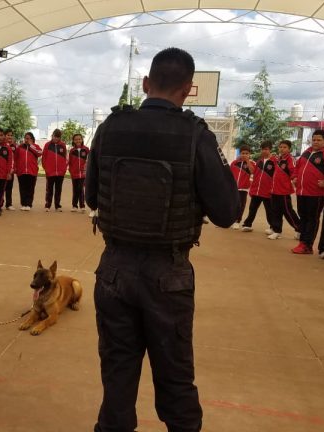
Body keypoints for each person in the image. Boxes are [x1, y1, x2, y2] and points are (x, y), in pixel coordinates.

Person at [85, 47, 239, 432]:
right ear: (188, 89)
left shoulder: (110, 127)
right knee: (175, 378)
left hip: (114, 269)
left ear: (145, 83)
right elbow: (227, 212)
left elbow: (90, 196)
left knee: (117, 375)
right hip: (168, 274)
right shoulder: (196, 135)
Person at [292, 130, 324, 254]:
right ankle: (302, 242)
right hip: (301, 192)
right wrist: (295, 177)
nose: (316, 142)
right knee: (303, 218)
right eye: (314, 140)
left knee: (312, 219)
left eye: (319, 140)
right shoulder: (306, 153)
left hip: (316, 194)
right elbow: (297, 167)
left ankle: (308, 245)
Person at [241, 141, 276, 235]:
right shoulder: (259, 161)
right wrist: (247, 161)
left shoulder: (274, 161)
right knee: (252, 209)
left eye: (266, 149)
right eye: (263, 149)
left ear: (270, 150)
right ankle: (247, 225)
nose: (264, 151)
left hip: (268, 191)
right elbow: (253, 172)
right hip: (256, 191)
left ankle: (273, 227)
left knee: (270, 211)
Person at [269, 140, 300, 240]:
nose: (282, 149)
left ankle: (300, 229)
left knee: (288, 212)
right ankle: (277, 231)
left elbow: (294, 171)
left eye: (285, 147)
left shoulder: (290, 159)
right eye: (281, 147)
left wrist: (294, 178)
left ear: (289, 149)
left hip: (284, 191)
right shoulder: (278, 159)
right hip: (274, 190)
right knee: (275, 211)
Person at [42, 129, 68, 212]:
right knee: (49, 189)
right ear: (52, 135)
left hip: (60, 172)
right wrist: (46, 168)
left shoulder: (63, 145)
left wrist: (64, 169)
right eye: (55, 136)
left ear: (60, 137)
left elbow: (65, 157)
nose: (56, 138)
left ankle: (57, 205)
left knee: (58, 190)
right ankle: (47, 205)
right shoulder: (47, 145)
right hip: (50, 172)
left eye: (58, 137)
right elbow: (44, 157)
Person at [15, 131, 42, 211]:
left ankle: (29, 204)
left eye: (29, 138)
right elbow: (15, 158)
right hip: (21, 171)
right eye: (26, 138)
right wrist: (16, 168)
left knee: (30, 189)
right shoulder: (20, 147)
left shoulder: (36, 146)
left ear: (32, 139)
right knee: (22, 188)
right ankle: (23, 204)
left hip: (32, 171)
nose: (27, 140)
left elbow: (39, 153)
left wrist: (31, 146)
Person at [229, 146, 253, 230]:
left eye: (247, 153)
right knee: (231, 204)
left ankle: (237, 221)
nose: (244, 155)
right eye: (243, 153)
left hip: (243, 189)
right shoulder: (234, 163)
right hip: (233, 188)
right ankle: (229, 220)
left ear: (249, 154)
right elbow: (229, 173)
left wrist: (247, 161)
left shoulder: (251, 163)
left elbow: (253, 171)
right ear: (240, 153)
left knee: (240, 205)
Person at [68, 133, 89, 212]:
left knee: (80, 189)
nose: (78, 141)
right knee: (75, 189)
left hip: (83, 174)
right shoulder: (72, 151)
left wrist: (87, 170)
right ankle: (74, 206)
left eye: (79, 139)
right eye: (76, 139)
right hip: (74, 174)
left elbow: (89, 160)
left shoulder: (86, 149)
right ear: (73, 141)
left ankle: (82, 206)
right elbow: (70, 162)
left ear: (82, 140)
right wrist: (71, 171)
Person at [4, 128, 17, 211]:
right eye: (8, 135)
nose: (10, 137)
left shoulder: (14, 146)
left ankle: (8, 204)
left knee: (9, 188)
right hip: (2, 171)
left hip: (11, 171)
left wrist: (13, 168)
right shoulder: (3, 145)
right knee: (1, 188)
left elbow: (15, 158)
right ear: (5, 136)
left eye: (11, 135)